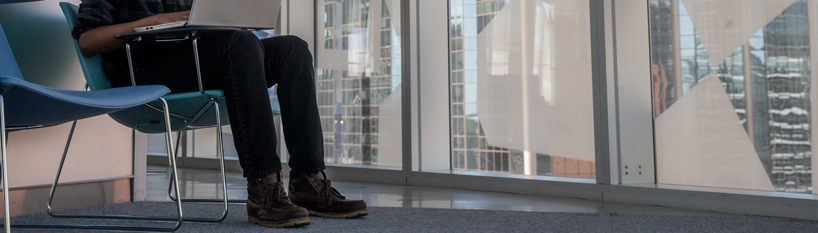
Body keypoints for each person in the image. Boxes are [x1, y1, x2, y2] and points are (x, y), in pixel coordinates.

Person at [72, 0, 367, 228]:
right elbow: (87, 41)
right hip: (142, 71)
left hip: (193, 61)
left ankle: (307, 181)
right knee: (241, 46)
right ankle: (264, 186)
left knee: (294, 50)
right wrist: (157, 21)